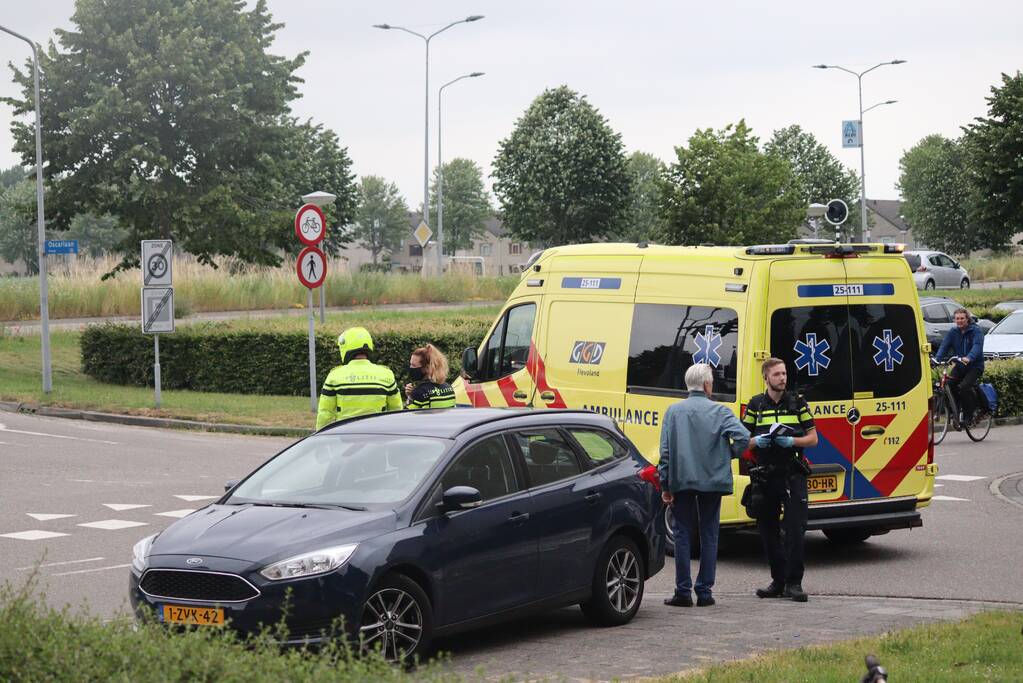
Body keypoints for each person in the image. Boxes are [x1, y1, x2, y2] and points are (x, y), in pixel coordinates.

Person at [658, 363, 750, 607]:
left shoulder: (673, 412)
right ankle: (705, 592)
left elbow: (665, 453)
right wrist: (727, 454)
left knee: (681, 535)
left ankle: (683, 591)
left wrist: (665, 485)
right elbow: (743, 437)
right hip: (712, 480)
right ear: (708, 385)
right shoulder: (720, 411)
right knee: (710, 533)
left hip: (682, 480)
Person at [743, 357, 818, 603]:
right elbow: (742, 440)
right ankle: (778, 580)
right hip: (765, 474)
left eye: (784, 374)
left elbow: (813, 438)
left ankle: (794, 583)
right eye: (777, 374)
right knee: (768, 530)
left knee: (795, 528)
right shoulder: (756, 405)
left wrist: (793, 442)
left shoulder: (798, 403)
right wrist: (756, 442)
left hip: (792, 473)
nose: (782, 378)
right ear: (766, 378)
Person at [315, 326, 402, 430]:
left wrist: (320, 438)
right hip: (377, 436)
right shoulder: (386, 374)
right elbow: (396, 411)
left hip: (346, 435)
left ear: (346, 347)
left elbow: (325, 413)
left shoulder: (335, 376)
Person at [934, 307, 985, 425]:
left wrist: (969, 357)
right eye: (957, 319)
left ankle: (969, 416)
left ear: (967, 319)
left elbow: (977, 347)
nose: (959, 321)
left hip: (974, 366)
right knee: (949, 385)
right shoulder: (953, 332)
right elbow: (944, 346)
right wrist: (937, 359)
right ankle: (956, 410)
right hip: (960, 366)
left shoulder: (976, 331)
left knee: (964, 387)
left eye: (962, 318)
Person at [405, 344, 457, 410]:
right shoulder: (449, 389)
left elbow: (405, 416)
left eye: (413, 365)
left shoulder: (420, 392)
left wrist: (410, 397)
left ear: (427, 368)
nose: (410, 368)